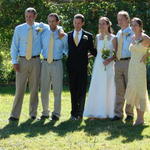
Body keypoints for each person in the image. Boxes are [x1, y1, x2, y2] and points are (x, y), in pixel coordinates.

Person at [9, 7, 45, 121]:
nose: (28, 18)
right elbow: (14, 46)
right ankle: (14, 115)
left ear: (35, 16)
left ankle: (33, 114)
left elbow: (54, 27)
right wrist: (14, 61)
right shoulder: (19, 29)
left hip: (36, 61)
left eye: (31, 16)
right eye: (27, 16)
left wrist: (60, 31)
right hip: (22, 61)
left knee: (34, 89)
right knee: (19, 89)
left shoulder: (41, 27)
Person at [83, 17, 116, 119]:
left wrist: (109, 60)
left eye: (103, 24)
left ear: (108, 25)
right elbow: (96, 52)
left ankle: (108, 112)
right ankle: (95, 111)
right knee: (97, 86)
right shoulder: (97, 37)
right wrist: (86, 55)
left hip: (109, 65)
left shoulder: (113, 38)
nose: (101, 26)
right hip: (98, 65)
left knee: (108, 86)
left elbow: (116, 54)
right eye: (100, 24)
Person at [67, 14, 97, 120]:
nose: (77, 25)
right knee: (73, 90)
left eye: (79, 23)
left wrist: (102, 51)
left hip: (83, 67)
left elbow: (93, 51)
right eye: (75, 22)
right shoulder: (68, 35)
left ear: (83, 23)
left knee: (82, 90)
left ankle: (80, 113)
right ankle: (73, 113)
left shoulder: (88, 36)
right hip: (71, 67)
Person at [40, 13, 68, 121]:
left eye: (53, 21)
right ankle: (45, 112)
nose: (51, 23)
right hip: (45, 63)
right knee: (44, 90)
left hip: (57, 64)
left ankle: (56, 113)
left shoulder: (63, 35)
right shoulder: (43, 31)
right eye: (49, 21)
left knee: (57, 90)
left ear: (58, 22)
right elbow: (37, 25)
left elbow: (66, 49)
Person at [125, 17, 150, 125]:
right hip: (132, 66)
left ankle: (141, 118)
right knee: (133, 91)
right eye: (132, 25)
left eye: (135, 25)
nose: (133, 27)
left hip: (140, 67)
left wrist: (147, 55)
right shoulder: (132, 37)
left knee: (140, 90)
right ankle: (137, 117)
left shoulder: (145, 37)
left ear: (140, 26)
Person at [112, 10, 134, 121]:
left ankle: (129, 114)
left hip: (129, 62)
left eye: (121, 19)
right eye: (118, 19)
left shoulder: (133, 32)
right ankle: (118, 114)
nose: (119, 21)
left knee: (129, 88)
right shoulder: (119, 33)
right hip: (118, 62)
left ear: (127, 19)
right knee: (119, 89)